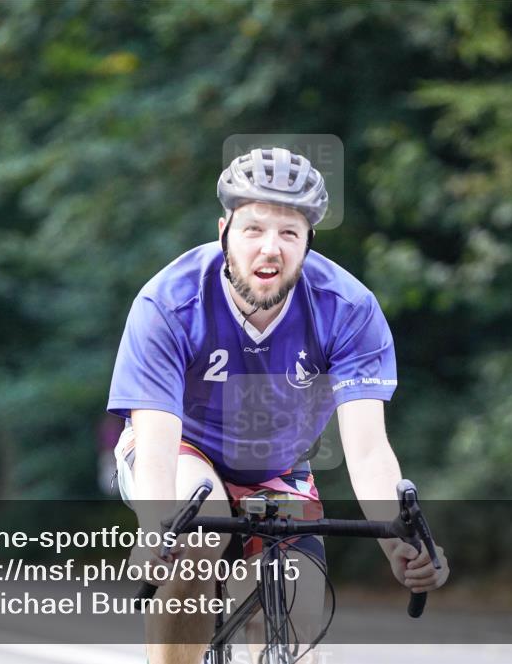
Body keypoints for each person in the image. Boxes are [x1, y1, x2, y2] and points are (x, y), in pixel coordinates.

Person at [108, 147, 448, 664]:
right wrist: (157, 528)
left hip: (277, 468)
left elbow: (369, 450)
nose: (271, 249)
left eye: (289, 233)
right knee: (198, 520)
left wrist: (396, 544)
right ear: (224, 230)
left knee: (300, 622)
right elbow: (154, 434)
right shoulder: (168, 303)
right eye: (253, 230)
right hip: (181, 450)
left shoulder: (349, 309)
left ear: (309, 241)